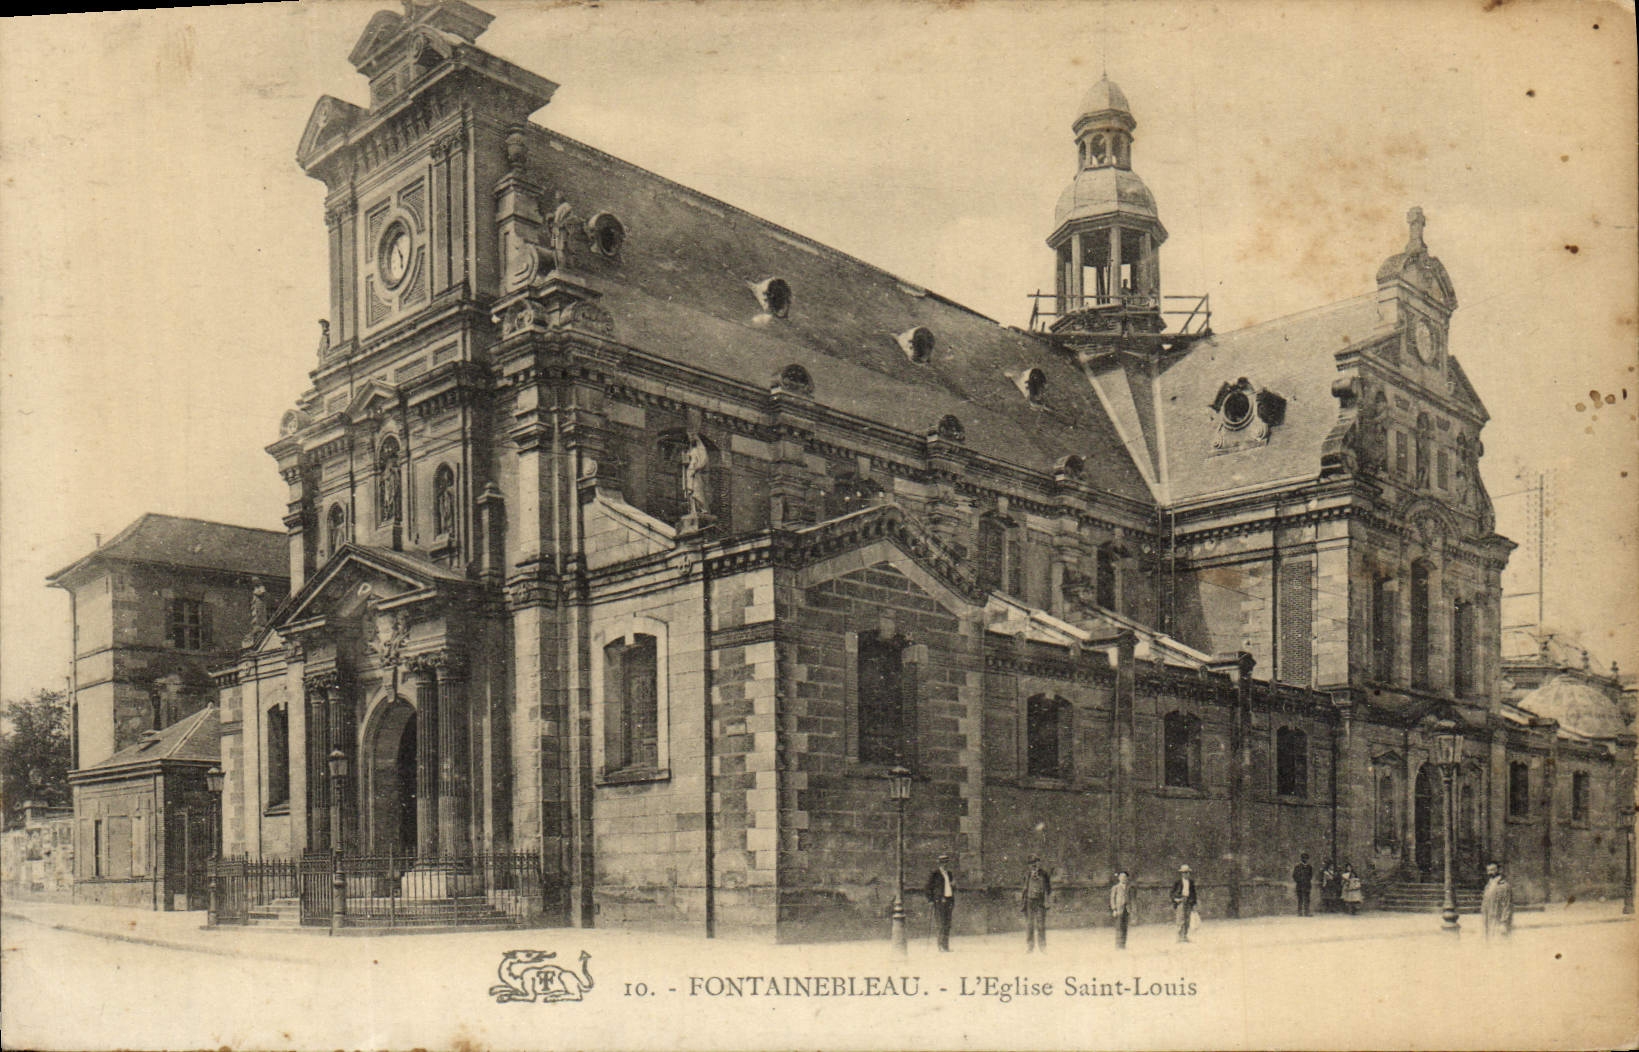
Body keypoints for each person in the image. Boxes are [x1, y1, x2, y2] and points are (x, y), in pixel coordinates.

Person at [925, 854, 956, 952]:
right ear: (939, 863)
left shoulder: (949, 874)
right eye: (943, 862)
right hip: (939, 901)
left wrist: (953, 885)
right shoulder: (935, 873)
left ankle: (946, 946)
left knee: (947, 924)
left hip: (949, 900)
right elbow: (927, 887)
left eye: (946, 862)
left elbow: (951, 887)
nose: (945, 864)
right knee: (941, 923)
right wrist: (930, 900)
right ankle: (940, 946)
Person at [1021, 856, 1051, 952]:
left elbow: (1049, 889)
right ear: (1029, 865)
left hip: (1040, 902)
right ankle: (1030, 946)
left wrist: (1045, 898)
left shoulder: (1044, 874)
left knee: (1041, 924)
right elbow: (1024, 889)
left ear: (1039, 863)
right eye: (1031, 863)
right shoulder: (1027, 874)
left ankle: (1042, 947)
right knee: (1030, 924)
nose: (1034, 865)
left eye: (1036, 862)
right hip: (1029, 902)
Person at [1481, 861, 1513, 939]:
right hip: (1488, 921)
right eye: (1488, 870)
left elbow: (1507, 905)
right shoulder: (1488, 886)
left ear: (1499, 870)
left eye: (1492, 870)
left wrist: (1504, 923)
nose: (1489, 873)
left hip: (1499, 921)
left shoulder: (1504, 886)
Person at [1170, 864, 1198, 943]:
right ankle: (1179, 937)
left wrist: (1194, 904)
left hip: (1189, 901)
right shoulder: (1177, 882)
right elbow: (1172, 893)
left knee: (1187, 919)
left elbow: (1194, 893)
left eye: (1187, 872)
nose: (1186, 874)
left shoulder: (1191, 882)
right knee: (1180, 919)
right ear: (1181, 873)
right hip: (1181, 901)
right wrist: (1175, 899)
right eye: (1184, 872)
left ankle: (1185, 936)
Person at [1109, 871, 1132, 949]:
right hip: (1119, 910)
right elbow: (1112, 899)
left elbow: (1131, 898)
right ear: (1119, 878)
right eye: (1121, 877)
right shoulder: (1115, 887)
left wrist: (1130, 909)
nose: (1123, 878)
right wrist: (1114, 909)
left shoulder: (1129, 887)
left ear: (1127, 878)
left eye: (1125, 877)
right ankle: (1118, 945)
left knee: (1125, 927)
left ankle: (1123, 945)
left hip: (1127, 909)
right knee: (1119, 927)